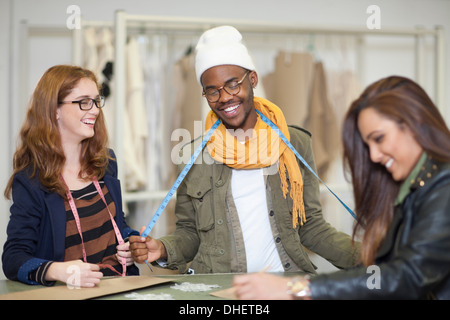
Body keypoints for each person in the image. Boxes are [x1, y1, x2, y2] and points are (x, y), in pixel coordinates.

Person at [130, 25, 359, 275]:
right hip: (219, 288)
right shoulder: (191, 156)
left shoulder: (293, 144)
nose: (225, 97)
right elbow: (190, 233)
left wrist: (368, 255)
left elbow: (311, 227)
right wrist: (162, 249)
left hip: (283, 283)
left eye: (232, 84)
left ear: (252, 80)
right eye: (212, 90)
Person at [233, 75, 450, 300]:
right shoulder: (414, 189)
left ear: (415, 122)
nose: (374, 155)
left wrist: (297, 288)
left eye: (380, 138)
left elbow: (407, 276)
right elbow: (378, 273)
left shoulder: (444, 187)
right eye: (368, 145)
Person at [2, 65, 139, 287]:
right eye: (84, 102)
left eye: (96, 100)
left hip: (117, 286)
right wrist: (59, 271)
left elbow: (117, 225)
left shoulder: (106, 162)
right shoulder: (32, 180)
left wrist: (131, 243)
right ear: (54, 109)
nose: (94, 110)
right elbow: (13, 259)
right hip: (69, 293)